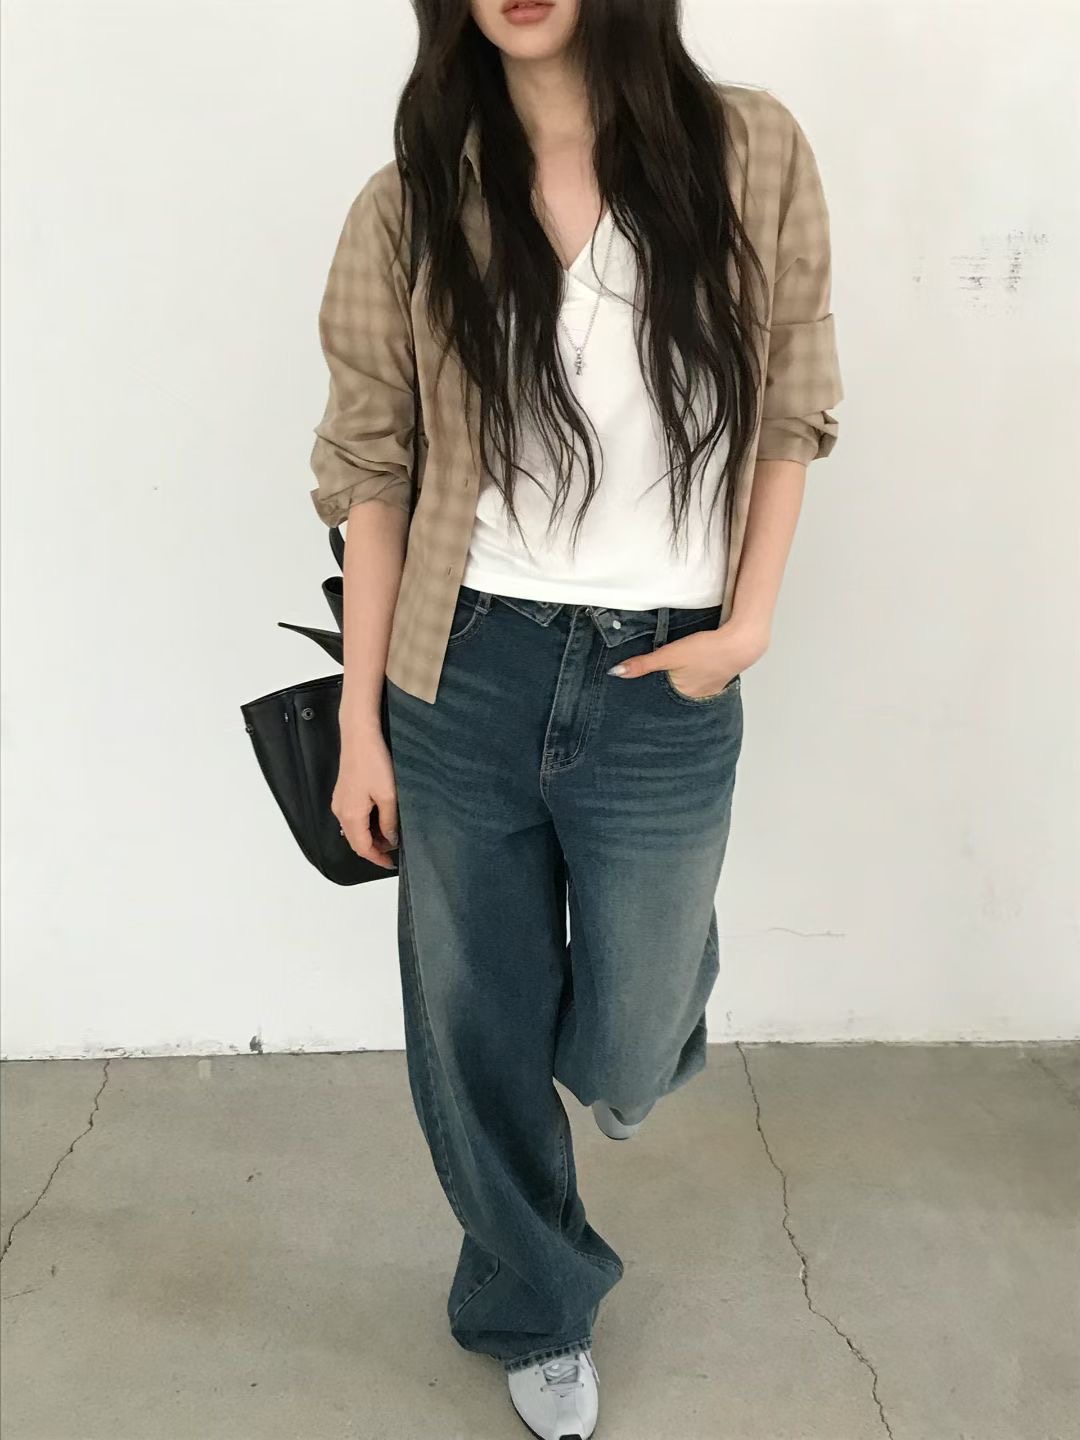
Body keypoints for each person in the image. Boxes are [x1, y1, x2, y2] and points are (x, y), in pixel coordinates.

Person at [309, 1, 842, 1434]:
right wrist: (361, 725)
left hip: (666, 676)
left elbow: (792, 402)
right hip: (463, 667)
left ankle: (628, 1026)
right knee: (474, 1025)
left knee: (629, 1042)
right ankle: (532, 1304)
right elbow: (371, 473)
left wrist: (746, 627)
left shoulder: (751, 153)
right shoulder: (411, 202)